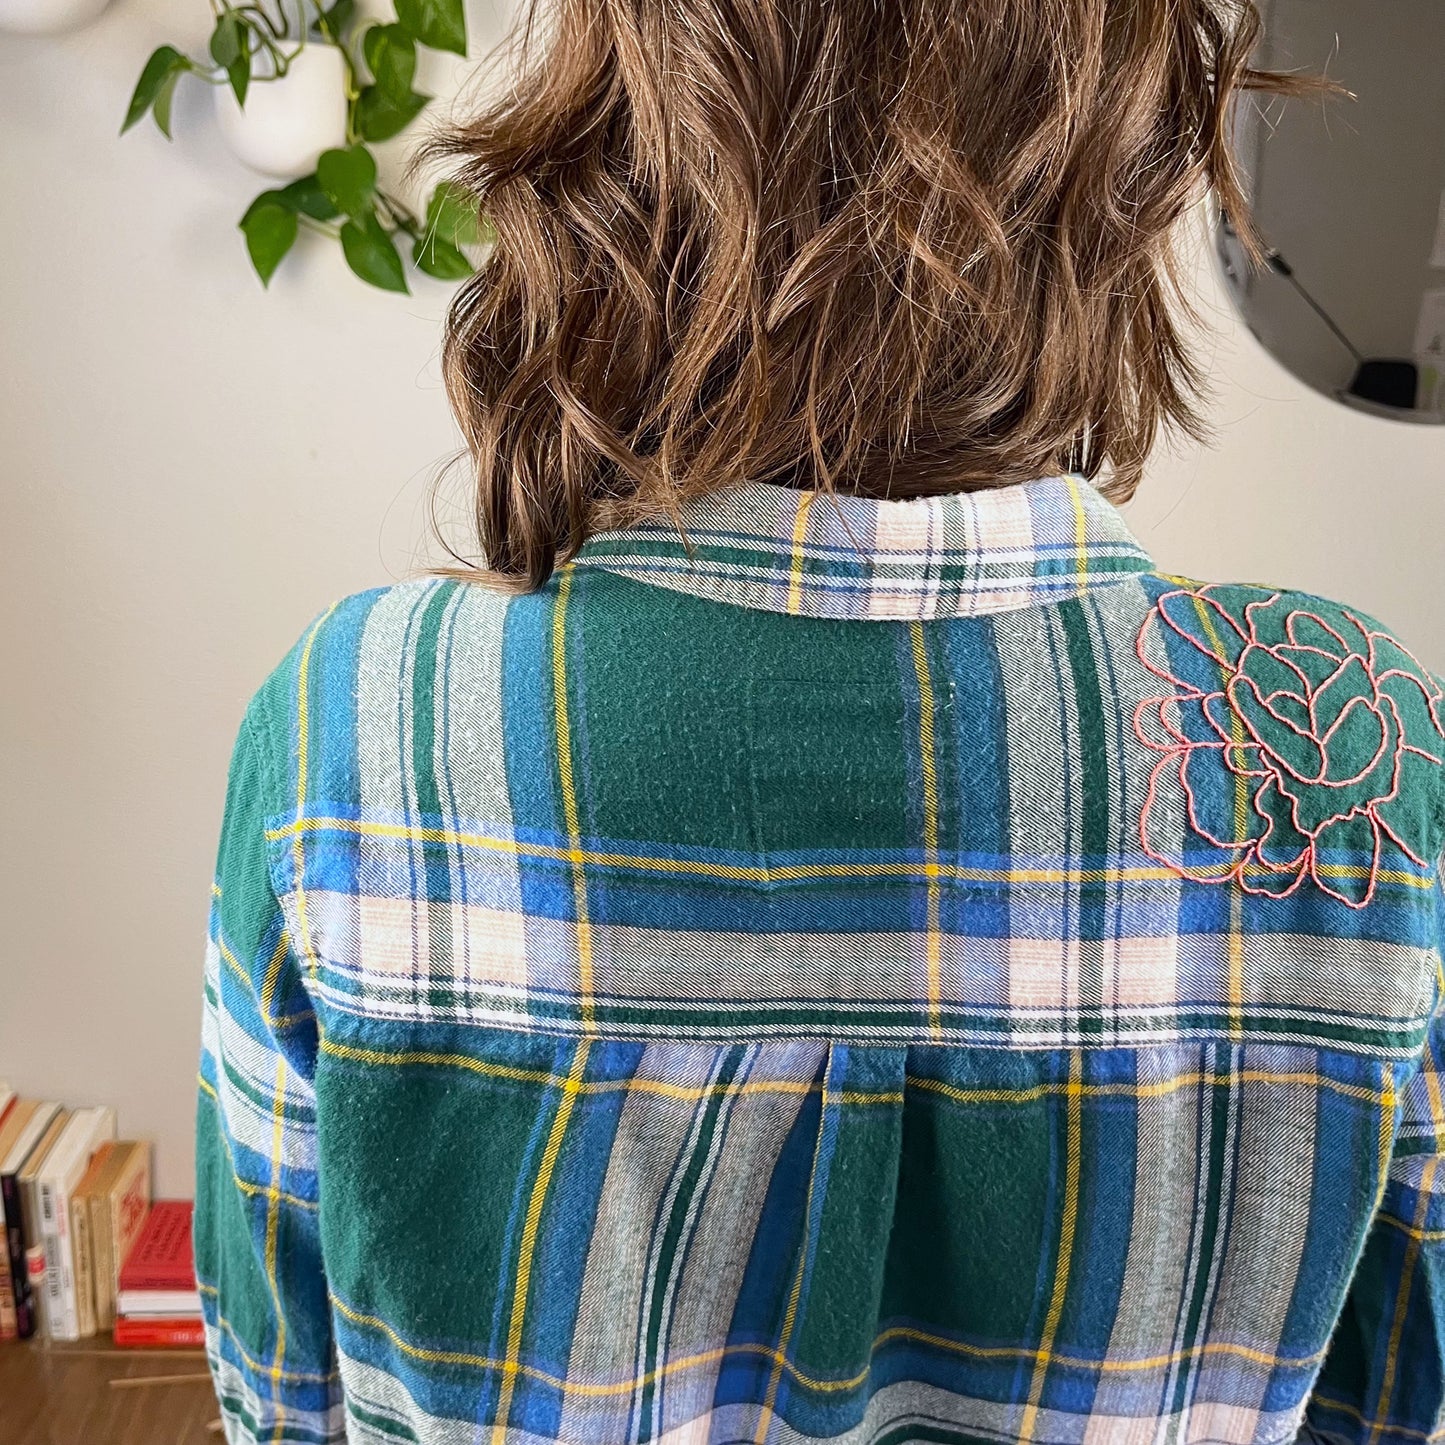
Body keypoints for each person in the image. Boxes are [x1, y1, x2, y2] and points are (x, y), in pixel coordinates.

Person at [192, 2, 1445, 1442]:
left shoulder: (358, 725)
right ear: (1125, 150)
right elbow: (1400, 1394)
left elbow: (282, 1405)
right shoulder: (1354, 748)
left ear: (622, 135)